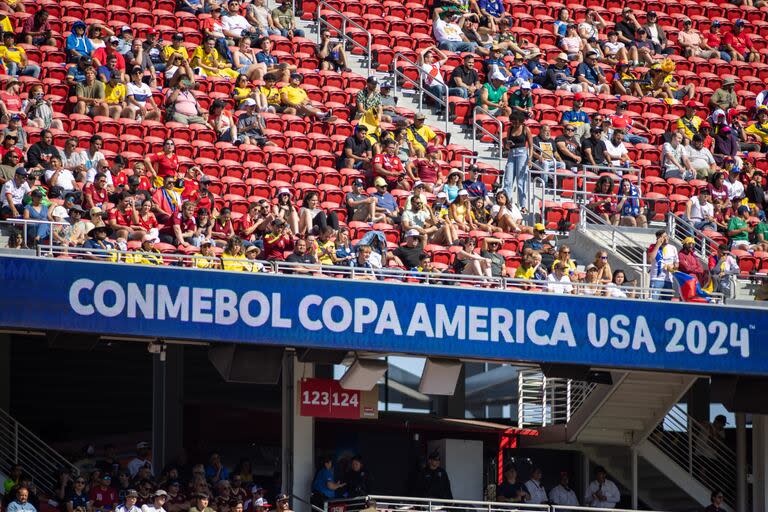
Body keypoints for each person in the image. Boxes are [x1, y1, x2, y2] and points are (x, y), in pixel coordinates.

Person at [503, 111, 533, 209]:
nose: (514, 124)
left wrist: (530, 159)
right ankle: (507, 202)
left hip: (522, 154)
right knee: (508, 179)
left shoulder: (525, 129)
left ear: (520, 121)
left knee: (521, 181)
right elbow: (506, 145)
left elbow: (531, 146)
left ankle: (523, 205)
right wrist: (507, 145)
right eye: (512, 122)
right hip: (512, 154)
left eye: (516, 122)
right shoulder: (510, 129)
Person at [649, 230, 678, 300]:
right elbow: (650, 260)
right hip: (656, 279)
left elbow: (677, 265)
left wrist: (673, 266)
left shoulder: (673, 248)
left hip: (668, 280)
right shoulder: (653, 246)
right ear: (658, 238)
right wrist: (658, 245)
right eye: (663, 237)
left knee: (667, 302)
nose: (666, 238)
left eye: (666, 236)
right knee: (653, 301)